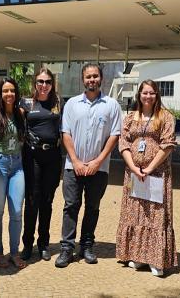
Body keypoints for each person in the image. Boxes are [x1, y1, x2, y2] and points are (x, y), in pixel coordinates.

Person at [55, 63, 122, 268]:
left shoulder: (112, 105)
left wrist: (97, 161)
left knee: (92, 208)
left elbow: (114, 135)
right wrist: (75, 160)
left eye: (95, 76)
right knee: (70, 207)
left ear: (101, 78)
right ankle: (66, 248)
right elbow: (65, 133)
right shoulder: (72, 104)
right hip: (72, 167)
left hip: (99, 168)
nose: (91, 80)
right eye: (88, 77)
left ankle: (86, 246)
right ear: (82, 80)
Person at [117, 79, 178, 277]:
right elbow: (123, 144)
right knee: (135, 212)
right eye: (145, 92)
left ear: (157, 95)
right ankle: (138, 255)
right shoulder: (129, 118)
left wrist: (150, 167)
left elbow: (168, 145)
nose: (148, 96)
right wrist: (134, 167)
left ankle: (156, 259)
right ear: (139, 94)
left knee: (155, 214)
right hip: (134, 173)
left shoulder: (166, 117)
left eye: (152, 93)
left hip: (157, 173)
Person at [20, 68, 62, 262]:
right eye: (40, 81)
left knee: (47, 201)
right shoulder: (27, 103)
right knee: (32, 201)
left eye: (47, 82)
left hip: (52, 157)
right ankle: (28, 244)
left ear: (52, 84)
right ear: (34, 83)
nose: (43, 85)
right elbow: (12, 122)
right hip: (32, 157)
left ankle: (44, 243)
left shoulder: (58, 103)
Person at [0, 78, 28, 269]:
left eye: (12, 90)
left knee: (17, 211)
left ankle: (14, 252)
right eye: (5, 91)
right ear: (0, 94)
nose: (9, 94)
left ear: (16, 93)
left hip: (17, 165)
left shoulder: (20, 113)